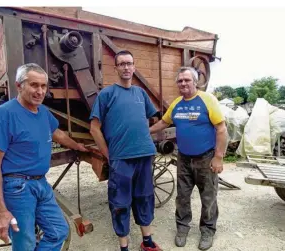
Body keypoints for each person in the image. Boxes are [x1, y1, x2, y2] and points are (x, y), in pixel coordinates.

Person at [0, 63, 88, 251]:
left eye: (43, 86)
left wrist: (77, 146)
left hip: (41, 184)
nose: (39, 91)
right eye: (34, 85)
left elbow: (57, 133)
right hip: (17, 187)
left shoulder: (43, 113)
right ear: (19, 86)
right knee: (25, 242)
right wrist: (0, 212)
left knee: (58, 231)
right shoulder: (4, 115)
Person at [89, 50, 162, 251]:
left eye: (129, 63)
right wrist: (107, 154)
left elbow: (150, 119)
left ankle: (147, 242)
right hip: (120, 158)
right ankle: (124, 247)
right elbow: (94, 128)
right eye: (121, 64)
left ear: (134, 66)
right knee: (120, 203)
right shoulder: (107, 94)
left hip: (144, 155)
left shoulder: (141, 93)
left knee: (145, 197)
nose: (126, 67)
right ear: (116, 68)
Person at [149, 66, 227, 250]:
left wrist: (218, 157)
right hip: (183, 158)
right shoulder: (176, 103)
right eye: (180, 80)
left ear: (195, 81)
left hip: (206, 158)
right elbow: (164, 122)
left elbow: (222, 129)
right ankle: (182, 228)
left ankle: (207, 230)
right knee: (182, 197)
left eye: (187, 80)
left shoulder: (207, 100)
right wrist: (147, 131)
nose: (183, 83)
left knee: (208, 197)